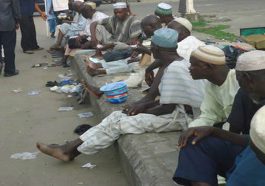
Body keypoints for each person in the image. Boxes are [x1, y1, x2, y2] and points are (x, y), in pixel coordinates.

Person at [36, 28, 205, 161]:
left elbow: (167, 108)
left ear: (157, 49)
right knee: (118, 115)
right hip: (177, 112)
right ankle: (69, 148)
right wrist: (139, 107)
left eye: (152, 46)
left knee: (119, 123)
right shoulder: (176, 63)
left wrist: (140, 110)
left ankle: (70, 150)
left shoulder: (174, 69)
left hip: (185, 119)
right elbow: (167, 101)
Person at [173, 50, 265, 186]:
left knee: (248, 166)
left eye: (240, 81)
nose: (240, 86)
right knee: (194, 142)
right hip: (251, 148)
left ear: (247, 79)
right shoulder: (244, 94)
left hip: (258, 157)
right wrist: (212, 131)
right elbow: (239, 134)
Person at [84, 15, 161, 77]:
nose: (143, 31)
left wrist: (143, 50)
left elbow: (161, 58)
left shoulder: (163, 37)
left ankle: (101, 71)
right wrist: (139, 54)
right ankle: (100, 65)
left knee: (132, 66)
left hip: (158, 66)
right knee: (127, 60)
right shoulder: (154, 35)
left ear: (151, 26)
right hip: (150, 59)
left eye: (144, 29)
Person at [187, 45, 239, 128]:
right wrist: (193, 128)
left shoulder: (238, 81)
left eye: (193, 65)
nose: (189, 68)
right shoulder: (211, 85)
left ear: (209, 66)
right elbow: (209, 116)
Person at [61, 2, 108, 67]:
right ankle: (65, 59)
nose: (84, 16)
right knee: (71, 41)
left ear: (92, 10)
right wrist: (80, 36)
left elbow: (99, 32)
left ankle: (65, 59)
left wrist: (89, 41)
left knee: (87, 42)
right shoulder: (89, 17)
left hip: (100, 40)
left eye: (85, 13)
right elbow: (86, 31)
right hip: (89, 38)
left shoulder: (99, 16)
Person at [0, 0, 20, 77]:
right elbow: (16, 8)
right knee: (9, 48)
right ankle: (9, 70)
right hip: (7, 22)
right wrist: (17, 20)